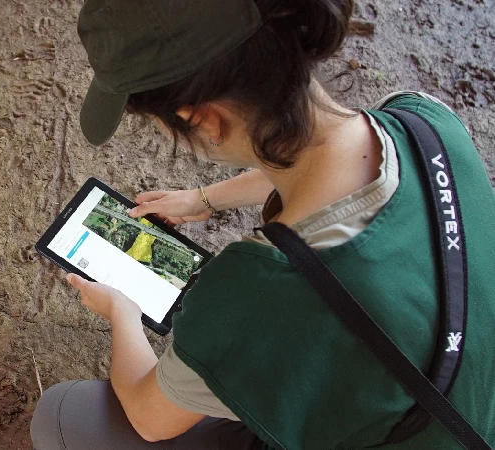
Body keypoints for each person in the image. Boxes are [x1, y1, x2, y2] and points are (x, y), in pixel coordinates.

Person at [30, 0, 495, 448]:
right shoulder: (424, 122)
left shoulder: (258, 291)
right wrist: (205, 198)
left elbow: (151, 421)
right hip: (468, 407)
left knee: (64, 417)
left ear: (206, 120)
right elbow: (320, 166)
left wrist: (123, 311)